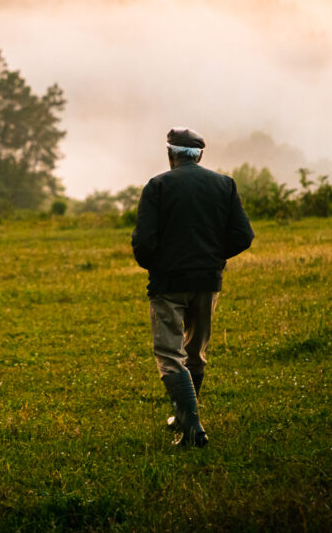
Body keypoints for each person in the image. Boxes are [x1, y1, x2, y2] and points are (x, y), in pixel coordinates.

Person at [131, 127, 254, 448]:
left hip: (168, 283)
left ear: (170, 154)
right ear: (199, 154)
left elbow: (143, 242)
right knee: (195, 353)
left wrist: (157, 265)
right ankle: (184, 415)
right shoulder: (224, 184)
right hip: (207, 281)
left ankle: (192, 424)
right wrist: (211, 257)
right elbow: (243, 236)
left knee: (170, 355)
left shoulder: (157, 186)